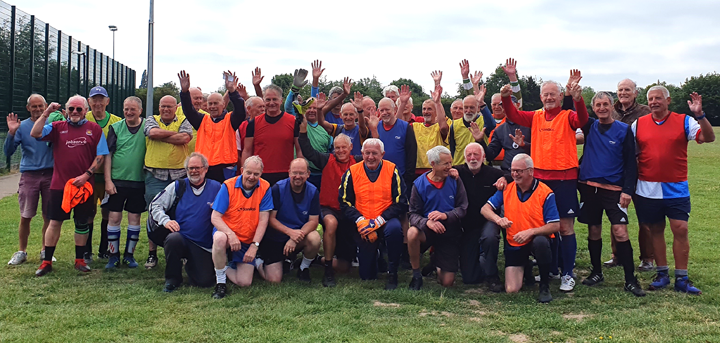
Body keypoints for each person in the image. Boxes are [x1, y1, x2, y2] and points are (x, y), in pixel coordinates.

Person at [500, 70, 588, 292]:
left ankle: (568, 273)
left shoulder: (567, 115)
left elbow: (583, 120)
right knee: (546, 227)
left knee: (566, 228)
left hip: (565, 178)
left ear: (560, 97)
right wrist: (505, 98)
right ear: (541, 97)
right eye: (545, 95)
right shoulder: (536, 116)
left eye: (553, 95)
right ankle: (552, 269)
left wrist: (578, 99)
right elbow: (514, 116)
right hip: (540, 179)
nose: (549, 98)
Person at [634, 87, 714, 295]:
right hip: (647, 187)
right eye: (650, 99)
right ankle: (662, 274)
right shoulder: (638, 124)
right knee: (655, 230)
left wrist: (700, 115)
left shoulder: (684, 121)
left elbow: (709, 138)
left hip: (676, 187)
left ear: (668, 100)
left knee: (680, 229)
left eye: (658, 98)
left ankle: (682, 277)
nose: (653, 102)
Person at [30, 96, 108, 276]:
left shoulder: (94, 129)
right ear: (66, 110)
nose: (75, 112)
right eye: (71, 109)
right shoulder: (57, 128)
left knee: (82, 223)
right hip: (60, 186)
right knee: (54, 222)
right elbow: (35, 133)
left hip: (84, 185)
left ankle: (80, 260)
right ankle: (47, 261)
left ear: (85, 111)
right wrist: (47, 112)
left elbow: (101, 155)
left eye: (79, 109)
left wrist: (87, 174)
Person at [577, 92, 644, 296]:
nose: (602, 108)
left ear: (611, 106)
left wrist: (627, 190)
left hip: (614, 190)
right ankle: (596, 272)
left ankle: (630, 280)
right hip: (589, 187)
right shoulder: (589, 126)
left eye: (605, 104)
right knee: (594, 231)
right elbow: (577, 114)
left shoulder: (624, 130)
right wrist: (575, 95)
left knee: (620, 232)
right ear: (593, 108)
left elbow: (631, 164)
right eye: (598, 105)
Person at [481, 154, 559, 303]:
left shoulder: (545, 192)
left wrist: (531, 231)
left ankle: (544, 286)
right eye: (513, 170)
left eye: (519, 171)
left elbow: (555, 225)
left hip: (535, 238)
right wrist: (498, 219)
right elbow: (484, 209)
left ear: (531, 171)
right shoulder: (506, 189)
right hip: (515, 241)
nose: (515, 174)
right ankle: (526, 266)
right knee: (511, 289)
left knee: (541, 243)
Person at [299, 114, 362, 287]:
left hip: (349, 212)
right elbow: (308, 152)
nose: (340, 151)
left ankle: (318, 260)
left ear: (350, 148)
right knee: (331, 223)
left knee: (344, 267)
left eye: (344, 147)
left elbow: (375, 156)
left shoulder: (358, 162)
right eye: (337, 148)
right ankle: (327, 269)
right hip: (328, 209)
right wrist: (303, 131)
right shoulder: (327, 159)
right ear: (333, 148)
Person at [339, 139, 407, 289]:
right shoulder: (352, 172)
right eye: (367, 153)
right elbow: (344, 202)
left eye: (375, 153)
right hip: (363, 224)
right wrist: (360, 220)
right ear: (362, 153)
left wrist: (379, 221)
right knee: (367, 276)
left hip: (386, 220)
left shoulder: (393, 170)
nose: (370, 157)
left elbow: (401, 201)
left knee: (395, 230)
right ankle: (376, 258)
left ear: (382, 154)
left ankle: (393, 272)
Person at [148, 153, 222, 292]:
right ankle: (172, 279)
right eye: (190, 168)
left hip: (203, 244)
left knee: (204, 281)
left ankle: (190, 263)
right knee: (172, 239)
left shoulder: (217, 187)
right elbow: (155, 205)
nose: (193, 171)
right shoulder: (178, 186)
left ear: (206, 169)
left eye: (197, 168)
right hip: (181, 237)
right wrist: (166, 221)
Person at [605, 78, 654, 271]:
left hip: (642, 170)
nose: (623, 93)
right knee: (616, 213)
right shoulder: (612, 111)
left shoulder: (645, 112)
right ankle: (617, 255)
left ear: (635, 93)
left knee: (645, 216)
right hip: (616, 170)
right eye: (620, 90)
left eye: (627, 89)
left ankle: (647, 258)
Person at [143, 95, 194, 269]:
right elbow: (152, 132)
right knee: (153, 215)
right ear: (159, 107)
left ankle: (180, 253)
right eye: (163, 106)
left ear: (176, 107)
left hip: (179, 175)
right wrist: (174, 134)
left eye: (169, 107)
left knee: (180, 214)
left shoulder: (184, 120)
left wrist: (161, 136)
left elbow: (185, 138)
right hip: (155, 175)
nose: (166, 109)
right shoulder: (151, 119)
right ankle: (152, 254)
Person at [210, 156, 272, 298]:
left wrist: (254, 246)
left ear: (261, 174)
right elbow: (215, 217)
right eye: (248, 172)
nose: (251, 177)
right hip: (228, 234)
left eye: (256, 174)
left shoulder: (265, 187)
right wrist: (230, 235)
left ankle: (220, 263)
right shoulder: (228, 185)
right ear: (242, 170)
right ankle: (220, 283)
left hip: (247, 239)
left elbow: (264, 220)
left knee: (244, 282)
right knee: (219, 238)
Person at [407, 146, 467, 290]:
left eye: (450, 163)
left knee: (447, 282)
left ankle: (435, 262)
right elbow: (412, 214)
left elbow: (463, 208)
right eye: (445, 164)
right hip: (427, 230)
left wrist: (446, 215)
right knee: (412, 233)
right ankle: (416, 274)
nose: (449, 167)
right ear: (433, 164)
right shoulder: (419, 184)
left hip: (449, 232)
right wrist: (427, 222)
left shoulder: (455, 180)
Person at [5, 94, 54, 265]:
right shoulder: (21, 126)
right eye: (34, 107)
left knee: (49, 215)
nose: (38, 109)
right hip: (29, 175)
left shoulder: (52, 124)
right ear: (28, 108)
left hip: (50, 174)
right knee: (26, 215)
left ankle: (45, 250)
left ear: (46, 106)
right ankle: (21, 251)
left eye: (41, 106)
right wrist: (11, 134)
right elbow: (8, 152)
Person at [260, 159, 321, 283]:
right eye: (294, 172)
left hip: (297, 237)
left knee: (315, 238)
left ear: (308, 174)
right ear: (289, 173)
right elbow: (271, 219)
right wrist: (290, 233)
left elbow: (313, 222)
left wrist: (294, 237)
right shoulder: (278, 188)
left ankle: (304, 268)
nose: (297, 176)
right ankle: (257, 262)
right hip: (276, 237)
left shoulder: (313, 191)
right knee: (274, 280)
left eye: (302, 173)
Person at [178, 70, 247, 182]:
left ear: (223, 104)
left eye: (216, 103)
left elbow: (240, 111)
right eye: (210, 103)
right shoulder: (202, 120)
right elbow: (188, 111)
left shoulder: (230, 119)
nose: (212, 106)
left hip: (226, 169)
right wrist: (185, 92)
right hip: (205, 168)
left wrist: (232, 91)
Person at [454, 143, 505, 290]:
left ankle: (492, 275)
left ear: (483, 157)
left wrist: (506, 179)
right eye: (469, 155)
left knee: (489, 238)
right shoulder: (458, 172)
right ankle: (480, 261)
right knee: (470, 279)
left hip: (488, 220)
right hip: (468, 225)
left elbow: (512, 175)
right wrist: (449, 171)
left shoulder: (494, 174)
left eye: (476, 154)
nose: (472, 158)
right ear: (464, 158)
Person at [102, 96, 147, 269]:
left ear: (140, 111)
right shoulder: (116, 128)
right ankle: (113, 256)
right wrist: (108, 180)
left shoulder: (147, 127)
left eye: (132, 109)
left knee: (135, 218)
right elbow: (108, 155)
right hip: (117, 181)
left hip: (138, 181)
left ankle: (130, 255)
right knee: (114, 217)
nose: (129, 112)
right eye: (126, 109)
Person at [85, 86, 121, 262]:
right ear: (89, 101)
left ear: (107, 101)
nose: (98, 103)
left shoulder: (116, 122)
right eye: (94, 99)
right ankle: (87, 250)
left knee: (107, 213)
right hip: (88, 176)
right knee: (88, 213)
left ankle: (104, 249)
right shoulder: (84, 118)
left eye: (101, 99)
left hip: (108, 176)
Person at [241, 84, 303, 186]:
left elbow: (299, 149)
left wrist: (300, 170)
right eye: (268, 100)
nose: (271, 103)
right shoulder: (254, 123)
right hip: (259, 175)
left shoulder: (293, 121)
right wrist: (244, 172)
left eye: (275, 99)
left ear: (281, 101)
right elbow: (247, 150)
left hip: (286, 175)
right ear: (264, 101)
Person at [369, 85, 417, 190]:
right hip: (380, 177)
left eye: (387, 110)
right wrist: (373, 129)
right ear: (378, 111)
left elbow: (411, 154)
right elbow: (372, 151)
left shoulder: (405, 127)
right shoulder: (375, 127)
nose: (385, 113)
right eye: (382, 111)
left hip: (401, 178)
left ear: (394, 109)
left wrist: (408, 178)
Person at [316, 79, 369, 156]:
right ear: (341, 115)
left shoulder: (361, 131)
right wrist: (319, 109)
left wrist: (360, 110)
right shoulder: (337, 129)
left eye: (351, 114)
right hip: (339, 165)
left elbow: (362, 126)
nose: (348, 117)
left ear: (356, 116)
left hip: (355, 165)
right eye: (345, 114)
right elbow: (321, 123)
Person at [413, 76, 450, 177]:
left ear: (435, 111)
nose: (426, 112)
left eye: (429, 109)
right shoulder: (415, 126)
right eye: (424, 109)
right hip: (418, 170)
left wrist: (437, 102)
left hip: (437, 169)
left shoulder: (439, 127)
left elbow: (443, 128)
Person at [484, 93, 531, 173]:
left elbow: (540, 149)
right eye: (504, 106)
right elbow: (490, 155)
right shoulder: (499, 130)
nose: (507, 108)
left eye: (510, 105)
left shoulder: (530, 124)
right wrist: (480, 140)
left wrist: (524, 145)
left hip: (528, 172)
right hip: (508, 173)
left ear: (518, 105)